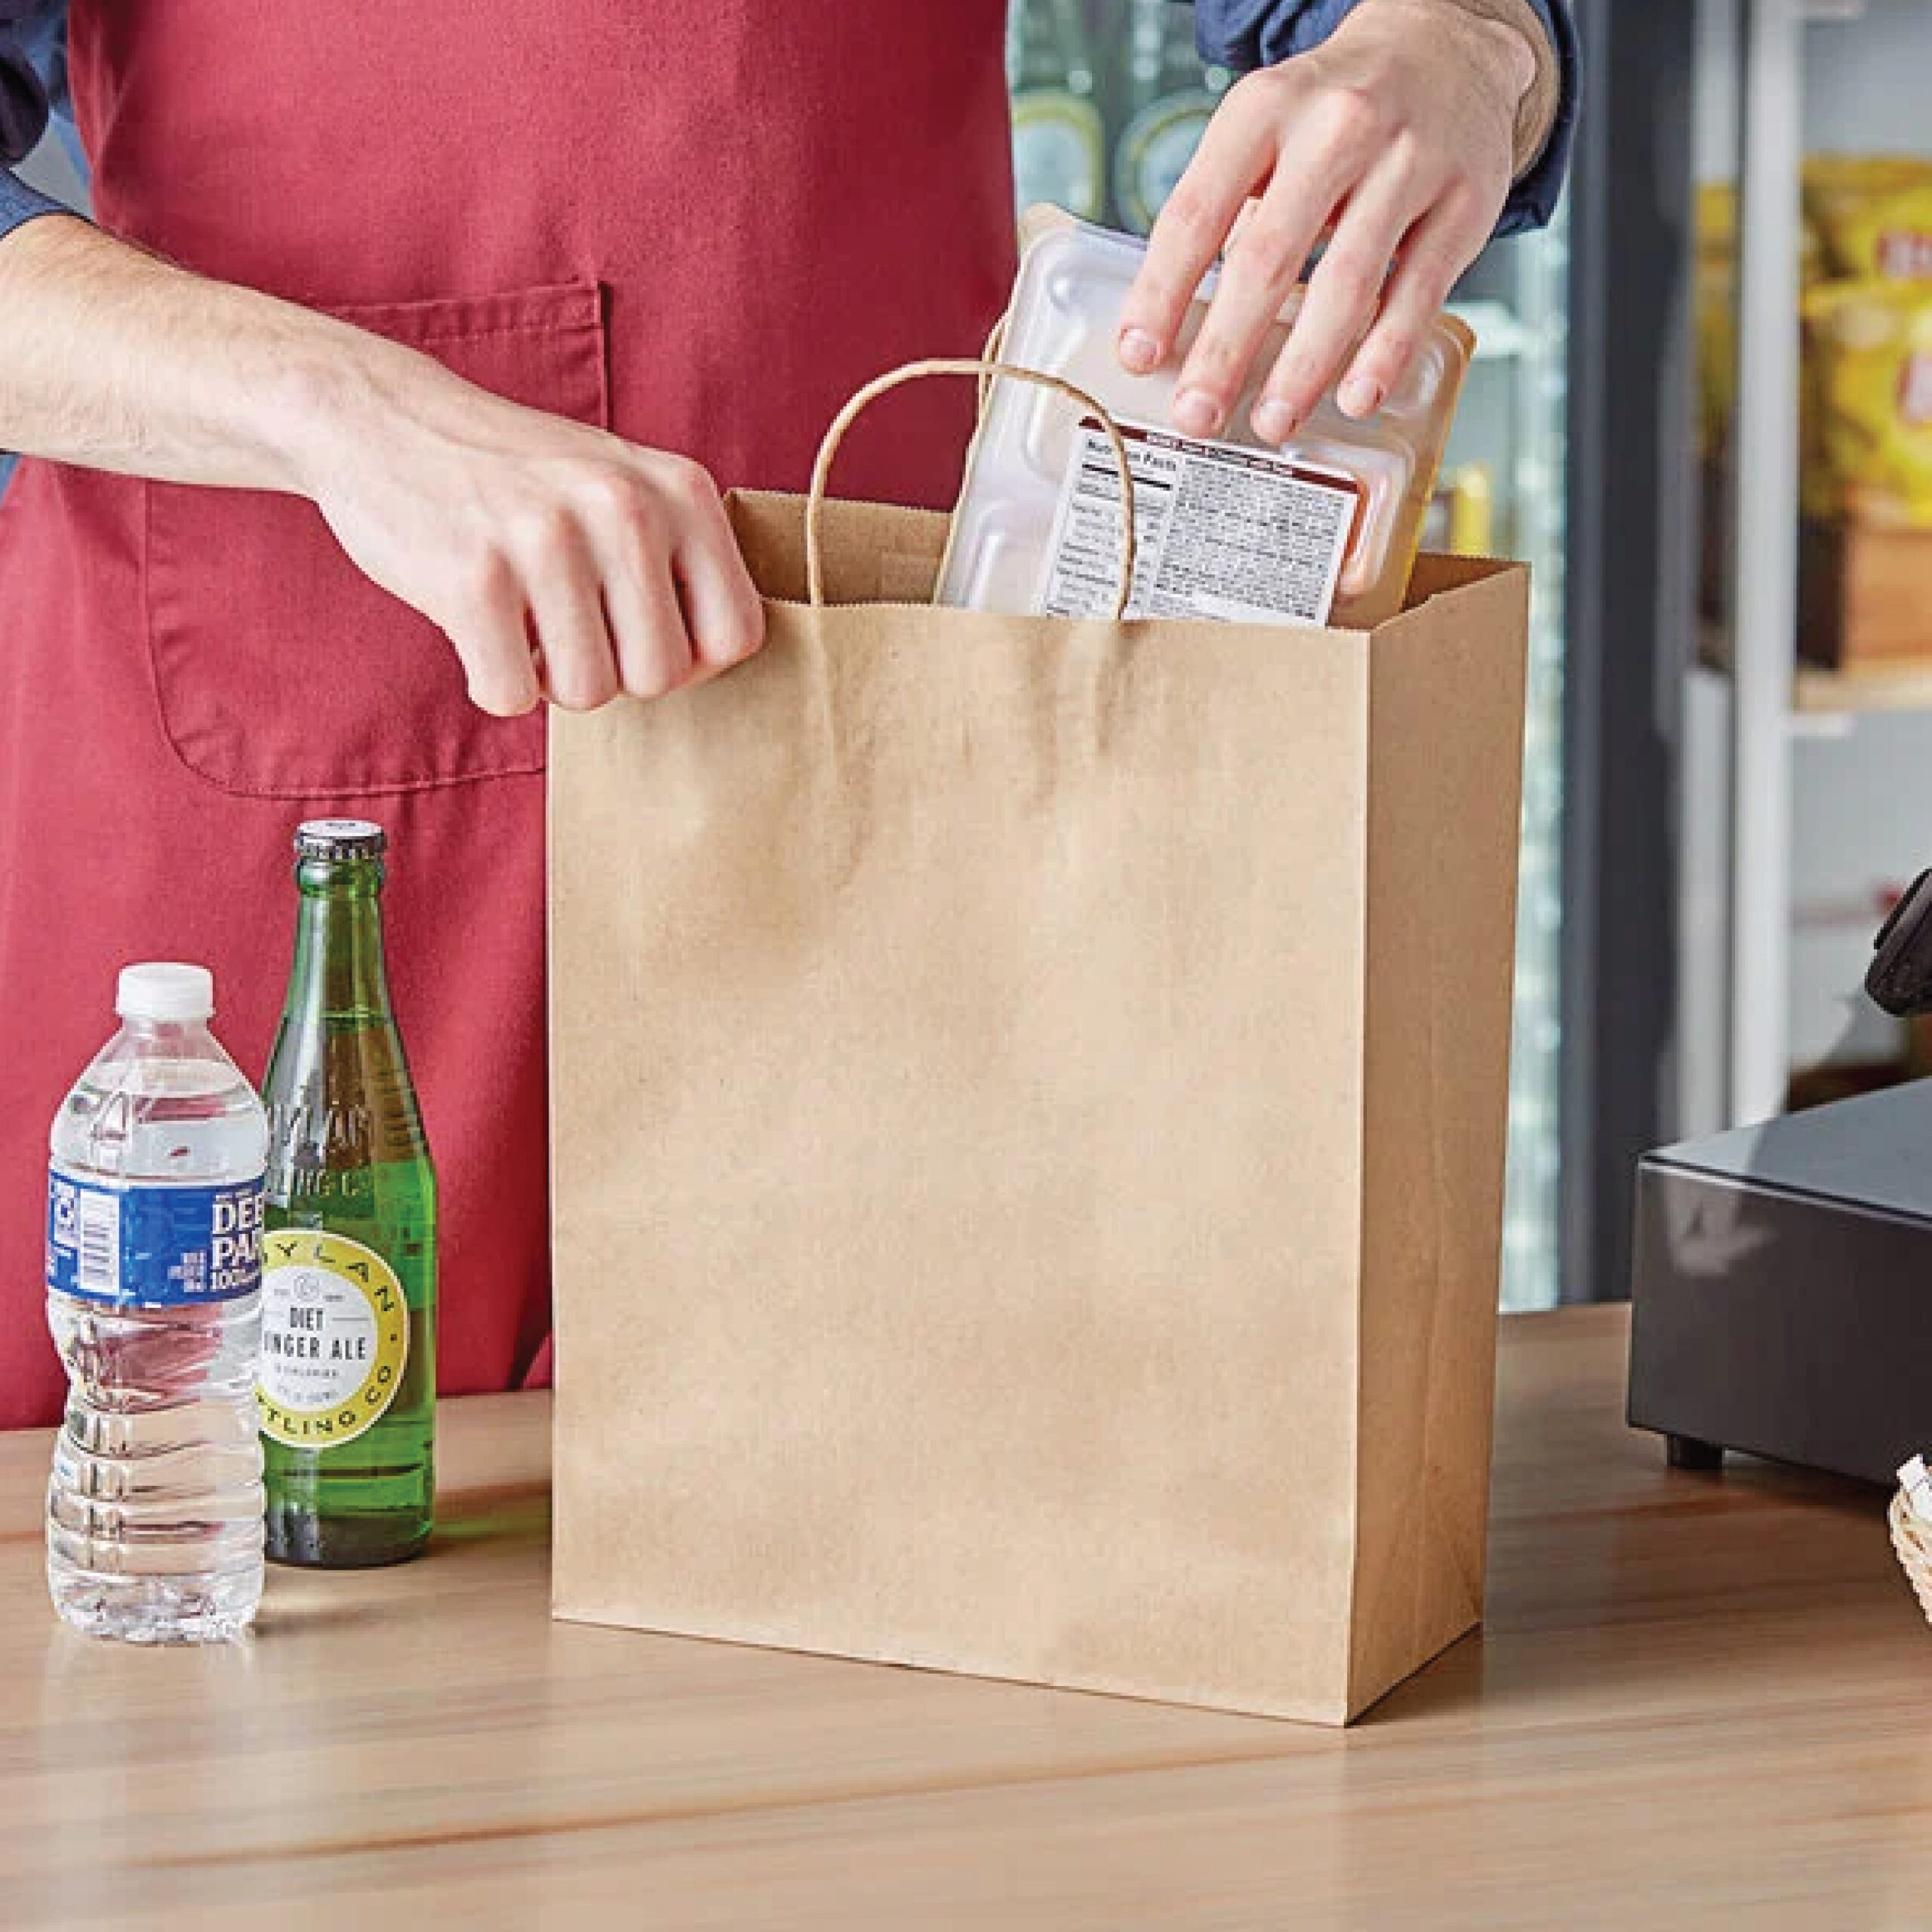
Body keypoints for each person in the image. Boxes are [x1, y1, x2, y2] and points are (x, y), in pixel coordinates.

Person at [0, 0, 1576, 1429]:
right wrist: (338, 410)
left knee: (936, 1493)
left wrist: (1462, 46)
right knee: (252, 1547)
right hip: (292, 788)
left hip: (882, 750)